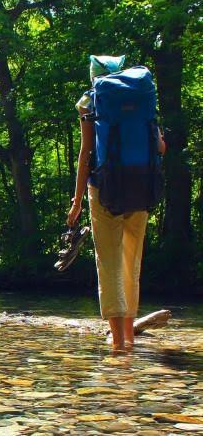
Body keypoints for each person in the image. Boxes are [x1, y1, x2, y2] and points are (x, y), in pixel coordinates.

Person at [68, 55, 166, 352]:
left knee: (108, 262)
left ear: (93, 75)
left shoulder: (89, 102)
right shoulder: (142, 96)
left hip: (104, 190)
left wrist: (76, 202)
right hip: (140, 188)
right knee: (131, 263)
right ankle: (129, 338)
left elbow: (86, 153)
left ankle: (119, 345)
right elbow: (160, 146)